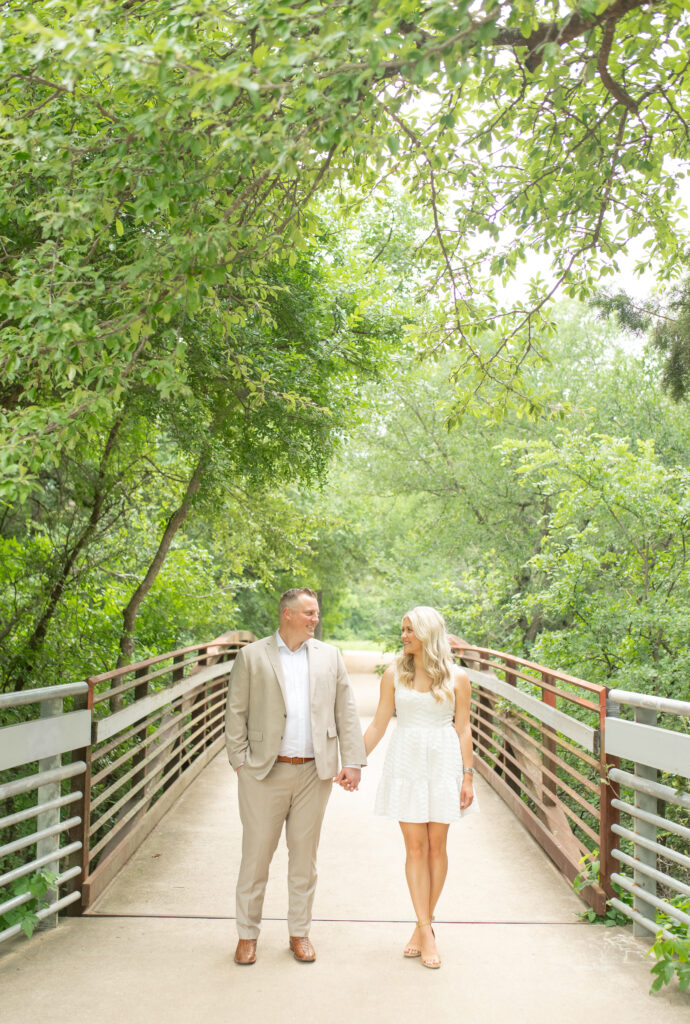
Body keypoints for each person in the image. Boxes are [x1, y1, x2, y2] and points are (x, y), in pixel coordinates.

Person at [225, 587, 366, 965]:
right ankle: (247, 935)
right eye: (308, 613)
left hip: (313, 773)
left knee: (305, 860)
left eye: (316, 613)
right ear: (287, 614)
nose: (314, 620)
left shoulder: (329, 657)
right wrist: (240, 763)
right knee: (256, 858)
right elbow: (235, 713)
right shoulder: (251, 656)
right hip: (263, 773)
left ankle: (299, 933)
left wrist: (352, 761)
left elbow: (346, 712)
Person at [363, 606, 478, 969]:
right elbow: (379, 724)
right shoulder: (394, 673)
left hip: (443, 763)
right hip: (407, 762)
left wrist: (468, 775)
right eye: (402, 629)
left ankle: (421, 925)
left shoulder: (457, 678)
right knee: (414, 848)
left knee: (436, 847)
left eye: (410, 629)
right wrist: (352, 761)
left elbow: (463, 729)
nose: (404, 636)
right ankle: (427, 929)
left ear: (427, 632)